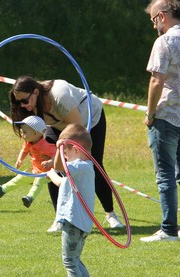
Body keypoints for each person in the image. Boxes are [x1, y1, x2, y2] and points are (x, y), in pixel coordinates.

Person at [9, 76, 124, 232]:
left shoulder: (59, 95)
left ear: (35, 92)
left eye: (24, 101)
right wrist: (52, 159)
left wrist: (60, 149)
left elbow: (76, 130)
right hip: (57, 124)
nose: (22, 106)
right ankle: (60, 218)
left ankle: (110, 214)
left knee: (93, 164)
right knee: (50, 168)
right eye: (18, 103)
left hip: (88, 120)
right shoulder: (30, 106)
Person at [140, 0, 180, 242]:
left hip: (166, 117)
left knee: (165, 175)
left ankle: (168, 230)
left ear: (162, 16)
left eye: (153, 19)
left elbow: (157, 80)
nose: (153, 25)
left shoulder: (164, 42)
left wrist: (150, 113)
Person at [46, 124, 100, 277]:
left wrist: (58, 148)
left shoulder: (80, 166)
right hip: (80, 221)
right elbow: (62, 182)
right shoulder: (83, 167)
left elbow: (61, 166)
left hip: (74, 221)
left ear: (75, 149)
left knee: (69, 260)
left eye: (65, 151)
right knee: (75, 258)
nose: (64, 156)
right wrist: (51, 173)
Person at [0, 115, 55, 208]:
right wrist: (20, 159)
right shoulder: (28, 143)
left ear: (35, 133)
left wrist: (50, 162)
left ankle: (30, 197)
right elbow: (24, 151)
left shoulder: (46, 146)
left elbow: (56, 155)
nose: (22, 135)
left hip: (49, 173)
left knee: (38, 180)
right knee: (22, 176)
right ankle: (2, 189)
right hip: (36, 170)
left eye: (24, 132)